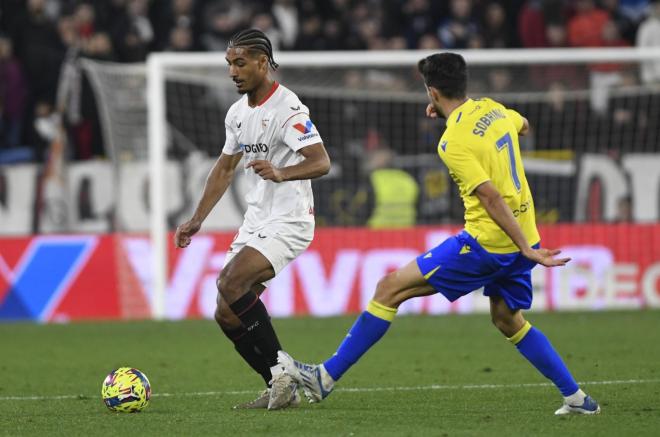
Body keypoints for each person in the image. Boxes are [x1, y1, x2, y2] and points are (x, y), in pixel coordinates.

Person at [278, 53, 601, 416]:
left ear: (432, 92)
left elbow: (490, 196)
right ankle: (576, 398)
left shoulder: (452, 142)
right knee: (508, 319)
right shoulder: (493, 109)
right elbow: (522, 125)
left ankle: (325, 377)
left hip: (488, 243)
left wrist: (526, 248)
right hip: (524, 235)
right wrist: (527, 245)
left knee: (389, 288)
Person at [174, 28, 331, 410]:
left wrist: (281, 172)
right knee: (225, 312)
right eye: (229, 63)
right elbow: (225, 168)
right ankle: (279, 384)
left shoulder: (289, 110)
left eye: (240, 63)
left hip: (290, 219)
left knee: (230, 280)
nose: (233, 71)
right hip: (257, 220)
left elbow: (321, 161)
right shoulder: (238, 113)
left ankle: (285, 370)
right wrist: (197, 218)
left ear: (263, 63)